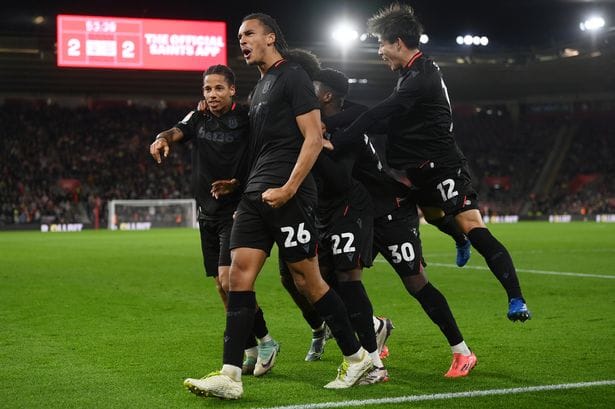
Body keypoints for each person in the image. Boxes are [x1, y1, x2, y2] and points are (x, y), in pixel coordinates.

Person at [182, 13, 372, 400]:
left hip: (289, 195)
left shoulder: (293, 77)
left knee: (308, 280)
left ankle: (359, 359)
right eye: (239, 36)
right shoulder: (262, 86)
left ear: (271, 37)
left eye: (248, 34)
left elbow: (314, 138)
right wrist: (240, 183)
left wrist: (288, 188)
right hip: (255, 194)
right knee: (238, 276)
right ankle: (231, 374)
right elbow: (259, 148)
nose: (242, 41)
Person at [331, 3, 531, 323]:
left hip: (443, 166)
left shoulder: (419, 78)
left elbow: (378, 114)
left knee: (473, 226)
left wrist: (339, 139)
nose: (380, 50)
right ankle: (458, 239)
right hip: (418, 169)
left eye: (382, 43)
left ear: (398, 42)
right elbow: (383, 120)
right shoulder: (410, 74)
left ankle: (516, 298)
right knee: (436, 216)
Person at [317, 67, 476, 377]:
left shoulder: (346, 131)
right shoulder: (332, 125)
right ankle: (375, 329)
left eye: (313, 88)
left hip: (391, 212)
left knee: (416, 283)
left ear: (326, 95)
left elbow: (340, 169)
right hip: (361, 216)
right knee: (338, 278)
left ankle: (462, 351)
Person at [149, 65, 279, 378]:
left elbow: (261, 156)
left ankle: (265, 341)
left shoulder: (247, 119)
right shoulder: (198, 117)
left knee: (229, 280)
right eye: (208, 89)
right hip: (206, 212)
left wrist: (237, 183)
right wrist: (161, 139)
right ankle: (250, 347)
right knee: (222, 289)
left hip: (237, 211)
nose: (212, 95)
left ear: (232, 90)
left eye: (219, 88)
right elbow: (176, 130)